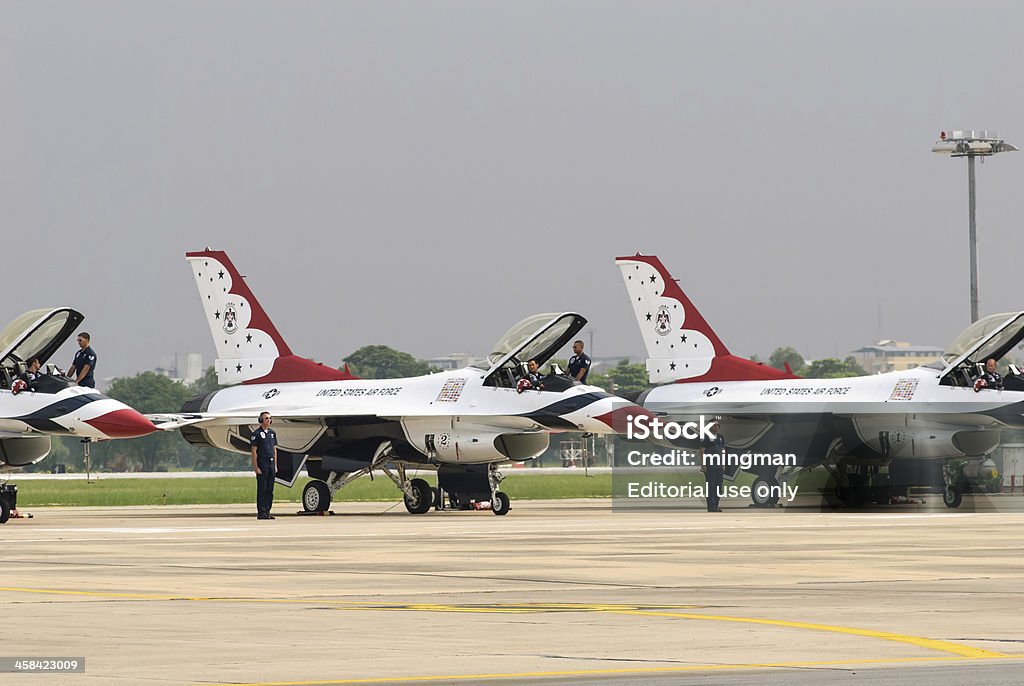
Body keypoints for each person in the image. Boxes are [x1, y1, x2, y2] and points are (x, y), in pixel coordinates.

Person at [250, 411, 278, 519]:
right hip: (262, 463)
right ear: (261, 420)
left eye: (270, 418)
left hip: (271, 464)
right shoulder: (256, 434)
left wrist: (275, 464)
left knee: (270, 489)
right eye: (266, 418)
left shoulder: (272, 433)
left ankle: (267, 511)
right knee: (262, 489)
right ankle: (261, 512)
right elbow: (254, 451)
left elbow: (274, 449)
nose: (268, 420)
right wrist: (256, 467)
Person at [700, 421, 725, 512]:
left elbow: (722, 450)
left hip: (719, 465)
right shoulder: (705, 436)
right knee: (711, 486)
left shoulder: (721, 437)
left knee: (718, 486)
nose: (716, 427)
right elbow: (702, 450)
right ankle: (711, 507)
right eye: (714, 425)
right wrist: (703, 464)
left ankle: (716, 506)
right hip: (710, 465)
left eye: (718, 425)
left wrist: (723, 464)